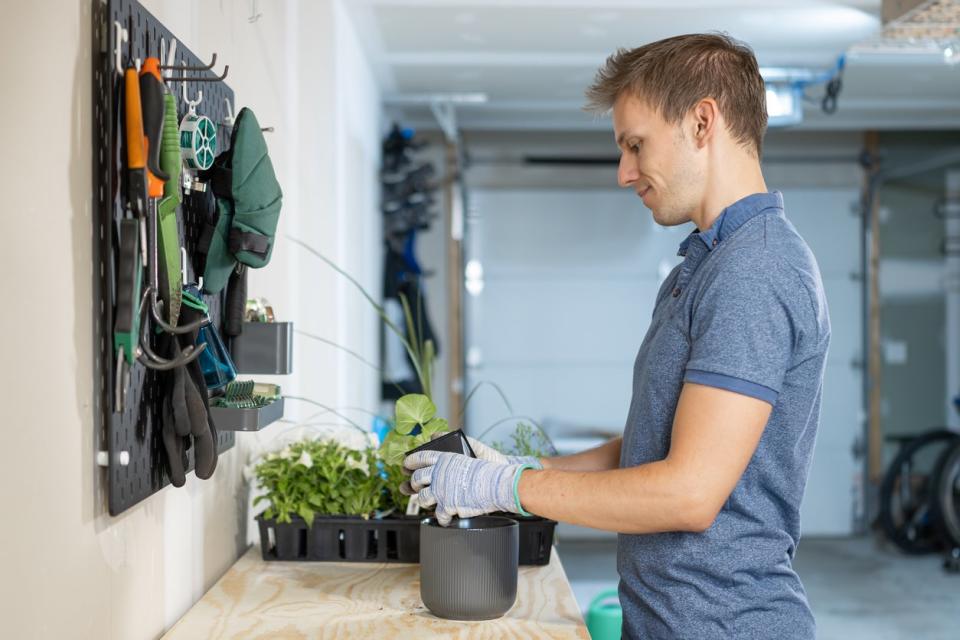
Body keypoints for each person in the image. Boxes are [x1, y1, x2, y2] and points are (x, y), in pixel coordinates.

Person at [402, 33, 830, 640]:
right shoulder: (703, 268)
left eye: (635, 144)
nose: (624, 173)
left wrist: (510, 488)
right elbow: (654, 446)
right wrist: (527, 466)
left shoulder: (755, 270)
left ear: (702, 121)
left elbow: (688, 493)